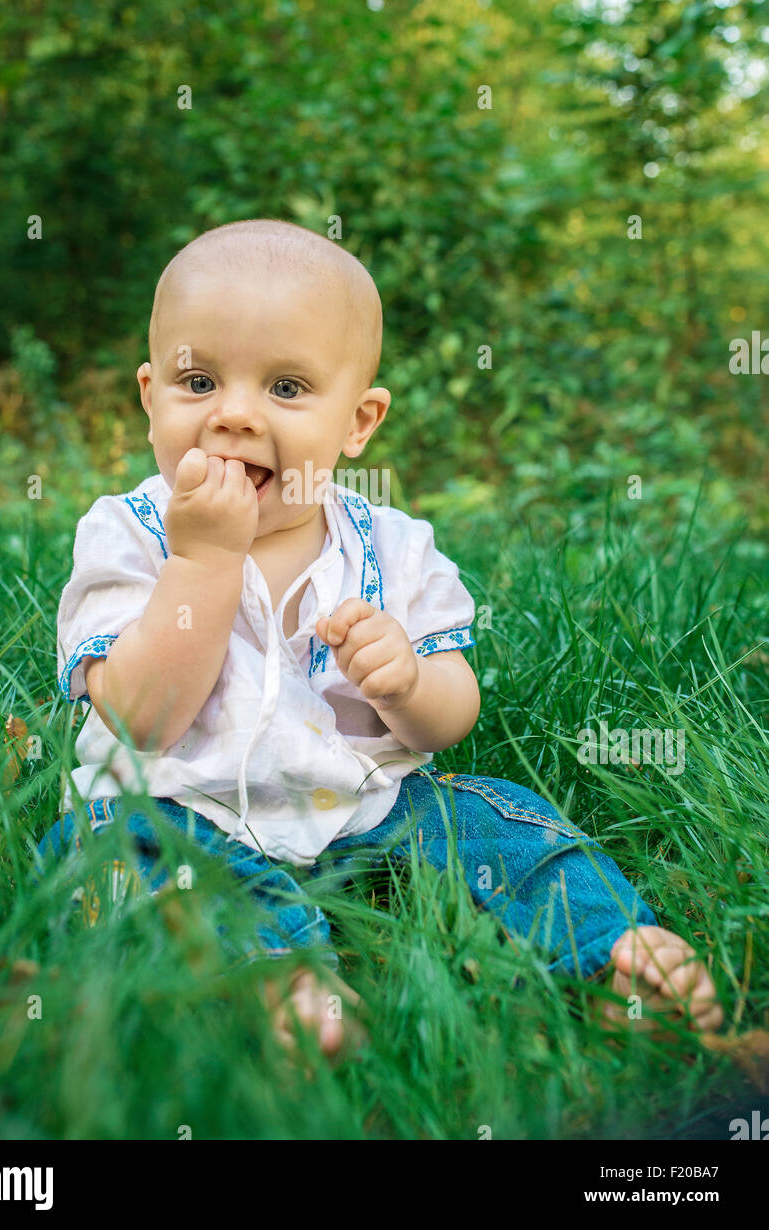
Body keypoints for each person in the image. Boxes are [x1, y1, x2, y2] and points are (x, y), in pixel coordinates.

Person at [36, 219, 723, 1057]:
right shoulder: (127, 535)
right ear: (150, 397)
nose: (236, 415)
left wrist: (406, 686)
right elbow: (144, 719)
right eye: (199, 380)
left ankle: (613, 953)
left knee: (490, 825)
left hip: (370, 810)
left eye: (286, 388)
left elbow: (450, 720)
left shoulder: (395, 549)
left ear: (357, 422)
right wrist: (204, 561)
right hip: (175, 812)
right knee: (116, 853)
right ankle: (277, 985)